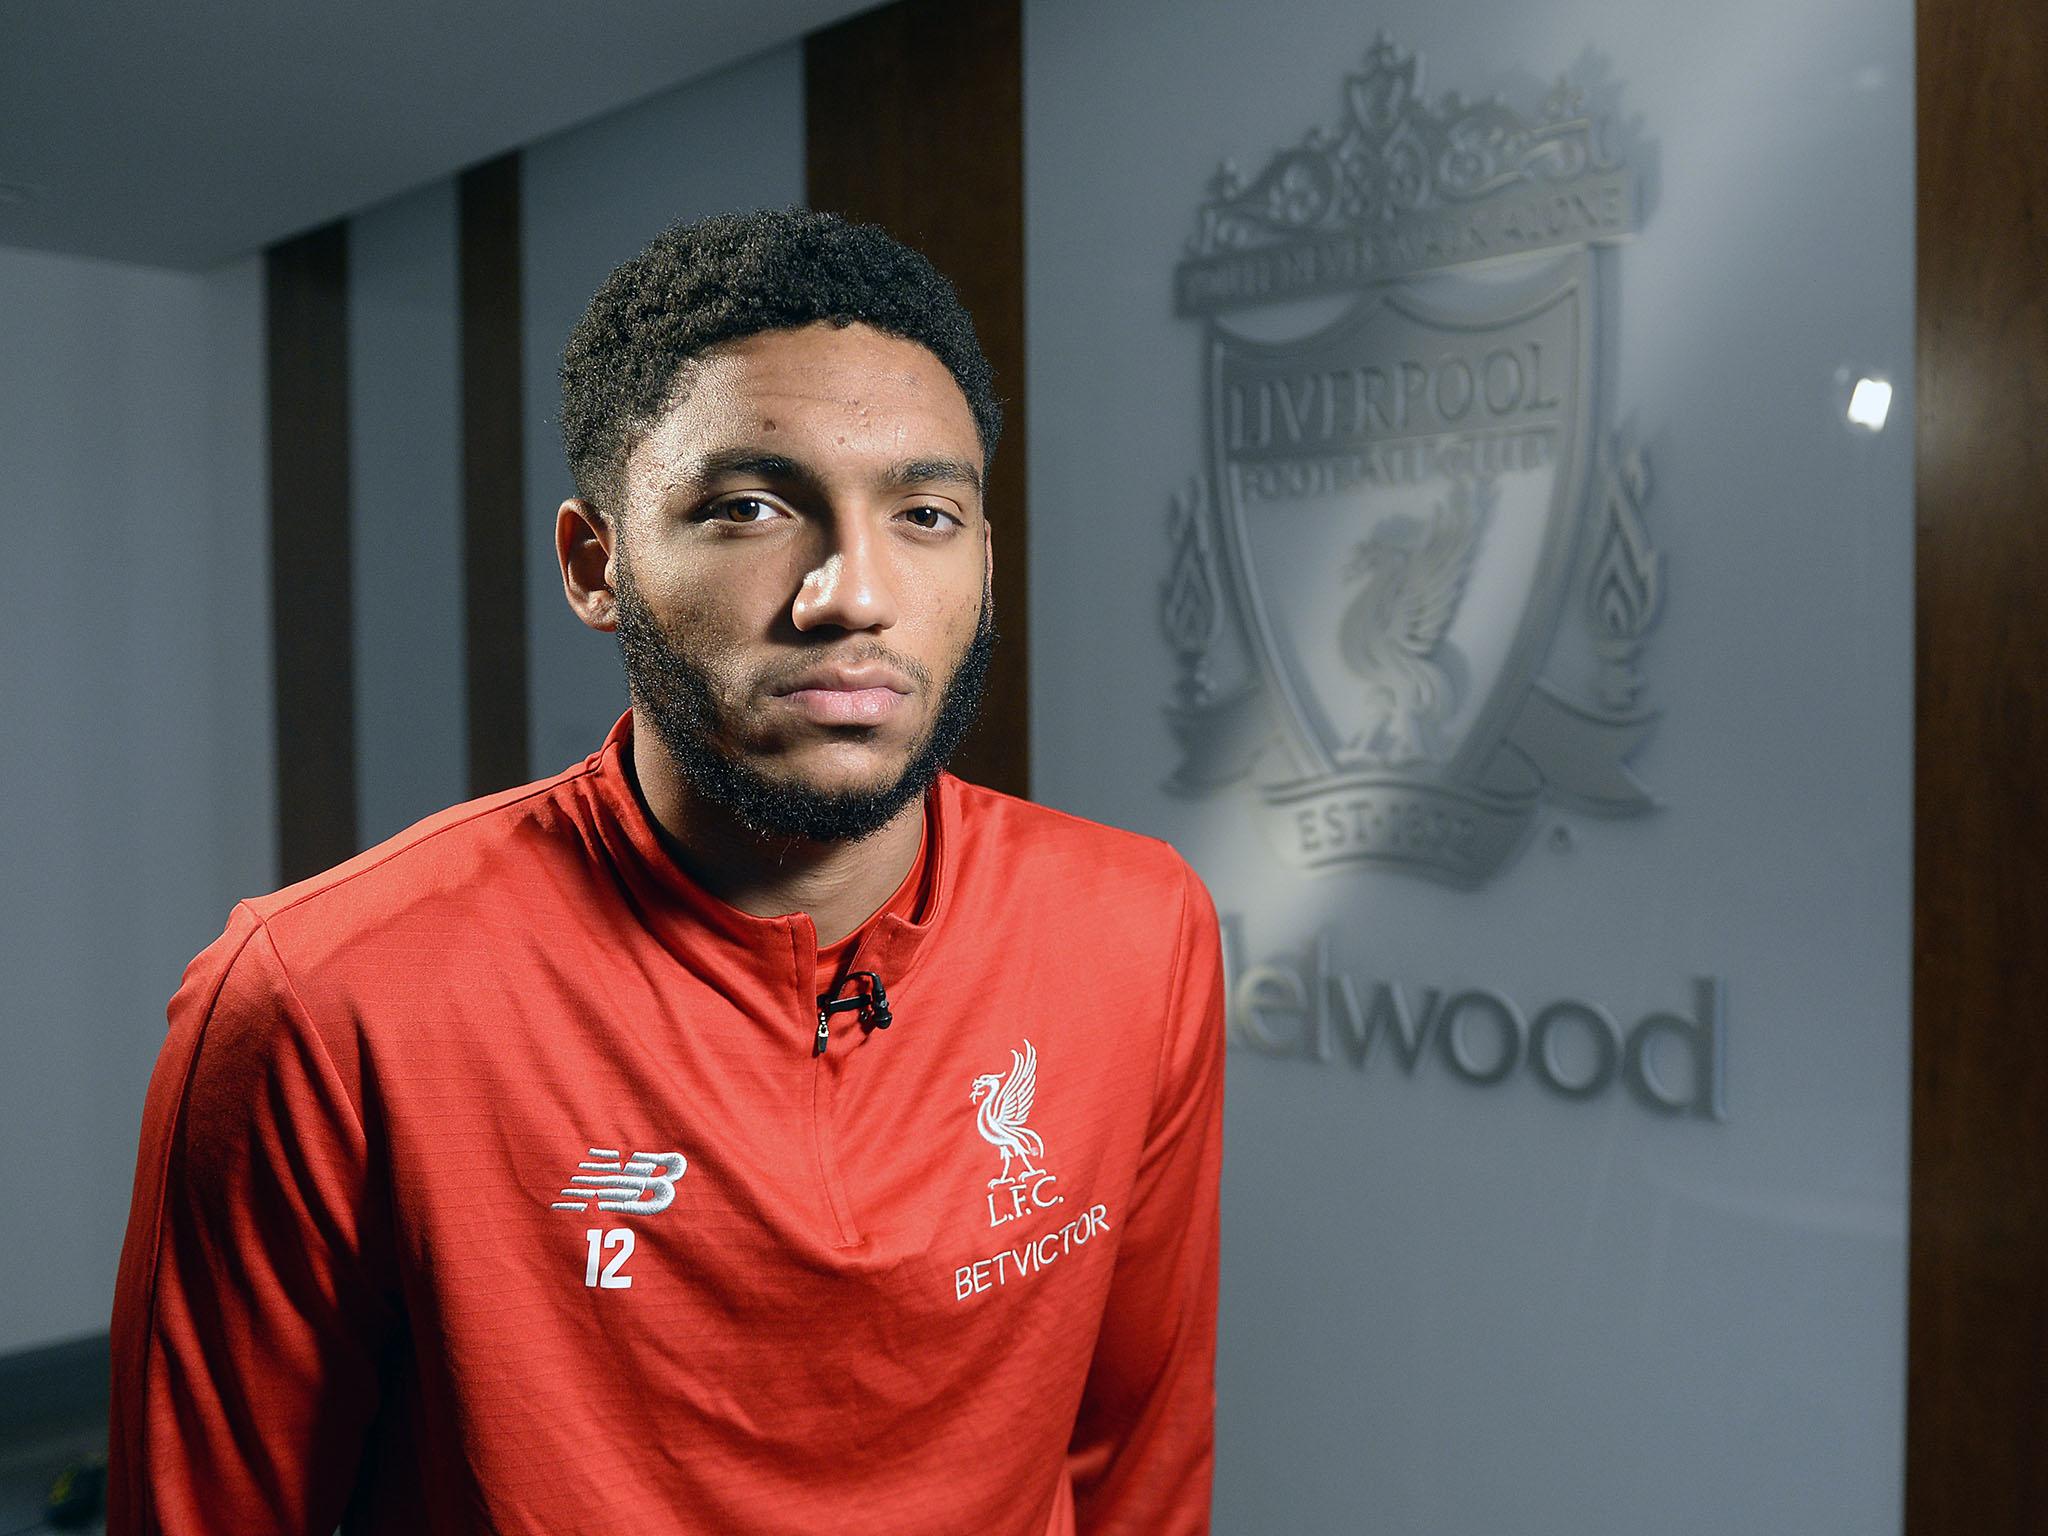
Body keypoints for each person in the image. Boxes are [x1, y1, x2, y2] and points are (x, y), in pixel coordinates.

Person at [108, 208, 1225, 1536]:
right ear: (598, 565)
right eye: (751, 507)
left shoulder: (1135, 925)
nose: (850, 593)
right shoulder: (323, 1001)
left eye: (925, 514)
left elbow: (1136, 1475)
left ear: (983, 566)